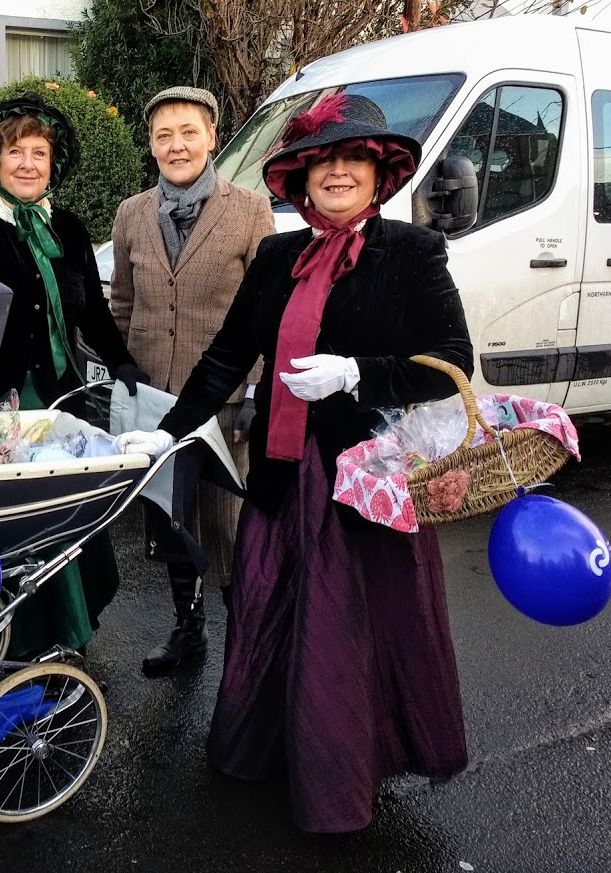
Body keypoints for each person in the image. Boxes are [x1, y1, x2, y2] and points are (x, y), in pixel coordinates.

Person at [114, 93, 473, 833]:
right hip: (283, 472)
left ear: (378, 172)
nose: (337, 172)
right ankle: (274, 747)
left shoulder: (412, 252)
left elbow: (452, 363)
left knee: (342, 628)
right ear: (303, 177)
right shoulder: (278, 257)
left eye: (353, 159)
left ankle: (338, 775)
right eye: (323, 161)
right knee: (270, 610)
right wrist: (167, 432)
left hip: (366, 478)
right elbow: (226, 357)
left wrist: (357, 373)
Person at [0, 92, 148, 658]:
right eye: (15, 152)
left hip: (61, 399)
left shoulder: (69, 230)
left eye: (39, 153)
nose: (27, 164)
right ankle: (15, 640)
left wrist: (121, 360)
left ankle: (68, 635)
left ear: (54, 163)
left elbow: (93, 310)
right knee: (14, 521)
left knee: (67, 511)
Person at [109, 86, 274, 676]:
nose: (176, 145)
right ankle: (189, 628)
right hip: (154, 401)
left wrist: (256, 388)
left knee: (228, 526)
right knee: (170, 520)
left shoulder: (250, 210)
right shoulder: (131, 213)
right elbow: (123, 303)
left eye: (188, 132)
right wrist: (124, 371)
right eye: (163, 135)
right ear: (151, 145)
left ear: (211, 137)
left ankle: (247, 647)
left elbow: (268, 310)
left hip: (224, 400)